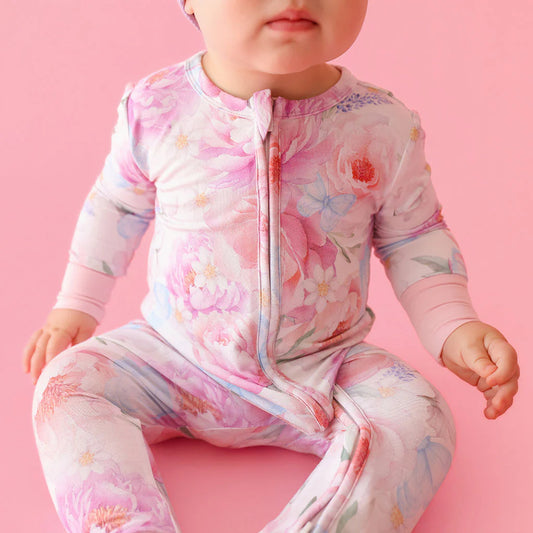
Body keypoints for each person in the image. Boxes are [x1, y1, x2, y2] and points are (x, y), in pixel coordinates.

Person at [23, 1, 520, 532]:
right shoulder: (157, 108)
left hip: (325, 368)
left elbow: (414, 234)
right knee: (65, 385)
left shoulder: (382, 126)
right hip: (172, 358)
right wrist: (77, 302)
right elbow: (116, 207)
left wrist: (453, 324)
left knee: (421, 418)